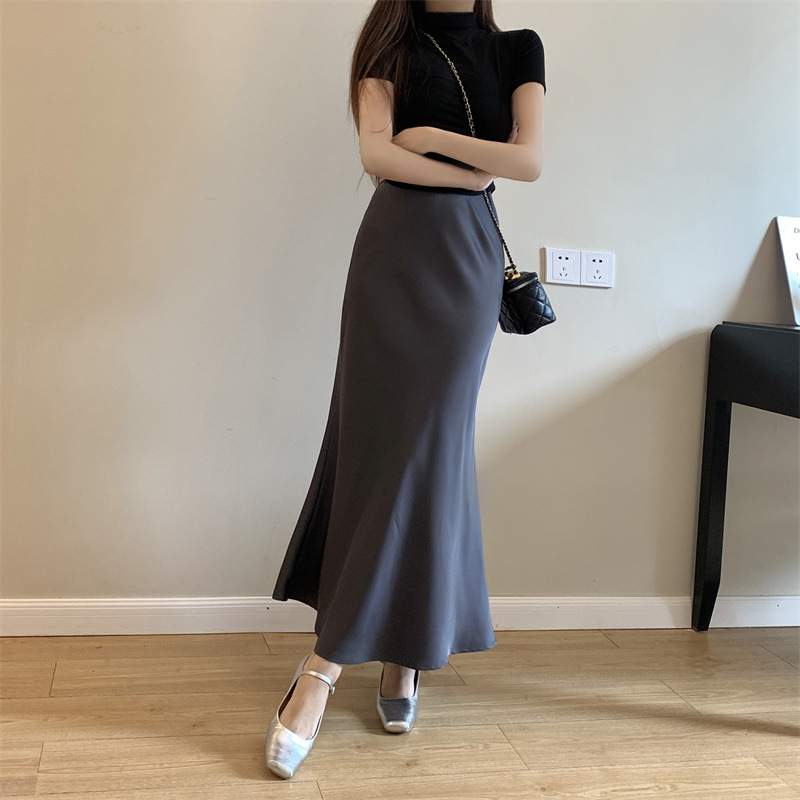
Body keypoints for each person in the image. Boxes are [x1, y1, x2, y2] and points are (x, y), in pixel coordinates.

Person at [265, 0, 545, 779]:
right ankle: (396, 656)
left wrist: (429, 140)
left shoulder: (519, 49)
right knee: (377, 452)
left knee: (429, 449)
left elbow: (524, 162)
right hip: (392, 259)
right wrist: (463, 163)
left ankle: (326, 667)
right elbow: (376, 155)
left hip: (465, 263)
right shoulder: (389, 42)